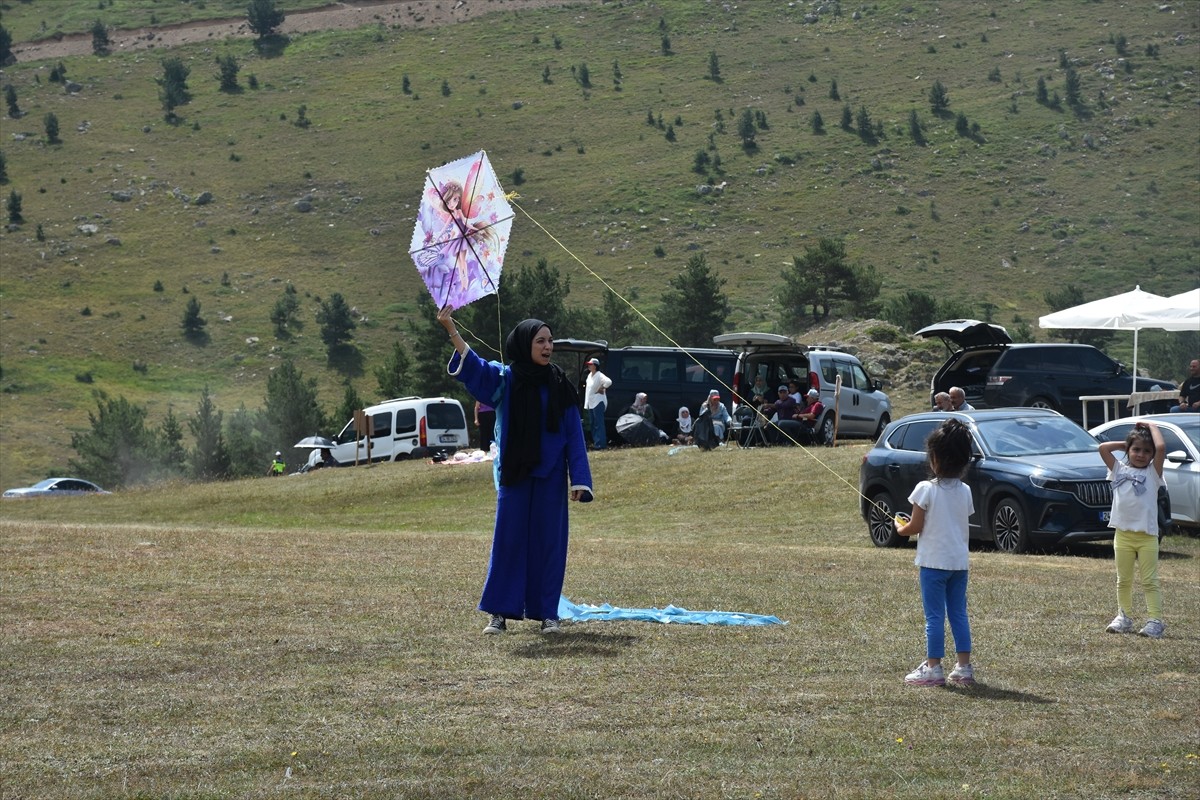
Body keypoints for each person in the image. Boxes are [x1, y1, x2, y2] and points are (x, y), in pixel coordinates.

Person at [437, 305, 593, 636]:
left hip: (551, 477)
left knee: (549, 544)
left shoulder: (560, 384)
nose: (548, 347)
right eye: (540, 341)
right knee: (508, 542)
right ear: (524, 344)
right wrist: (451, 327)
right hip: (515, 476)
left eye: (550, 341)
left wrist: (580, 478)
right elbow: (474, 366)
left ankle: (547, 613)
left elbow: (573, 434)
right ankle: (499, 613)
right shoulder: (505, 381)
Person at [894, 418, 977, 687]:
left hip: (933, 564)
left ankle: (933, 669)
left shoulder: (924, 489)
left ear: (935, 458)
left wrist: (900, 528)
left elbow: (915, 526)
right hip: (959, 564)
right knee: (958, 614)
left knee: (934, 617)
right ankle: (964, 668)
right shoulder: (965, 490)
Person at [1099, 421, 1167, 638]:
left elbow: (1162, 448)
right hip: (1123, 536)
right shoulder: (1119, 469)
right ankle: (1123, 616)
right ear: (1128, 450)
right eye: (1136, 450)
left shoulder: (1153, 473)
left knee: (1149, 580)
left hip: (1146, 537)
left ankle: (1155, 621)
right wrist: (1126, 444)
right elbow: (1103, 448)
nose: (1140, 454)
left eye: (1146, 451)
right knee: (1123, 579)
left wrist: (1150, 425)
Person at [583, 357, 612, 450]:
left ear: (595, 366)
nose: (588, 366)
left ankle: (601, 444)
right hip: (591, 402)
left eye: (590, 364)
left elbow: (609, 381)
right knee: (592, 423)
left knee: (598, 423)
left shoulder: (599, 375)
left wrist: (602, 387)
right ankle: (596, 442)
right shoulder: (589, 375)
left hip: (598, 402)